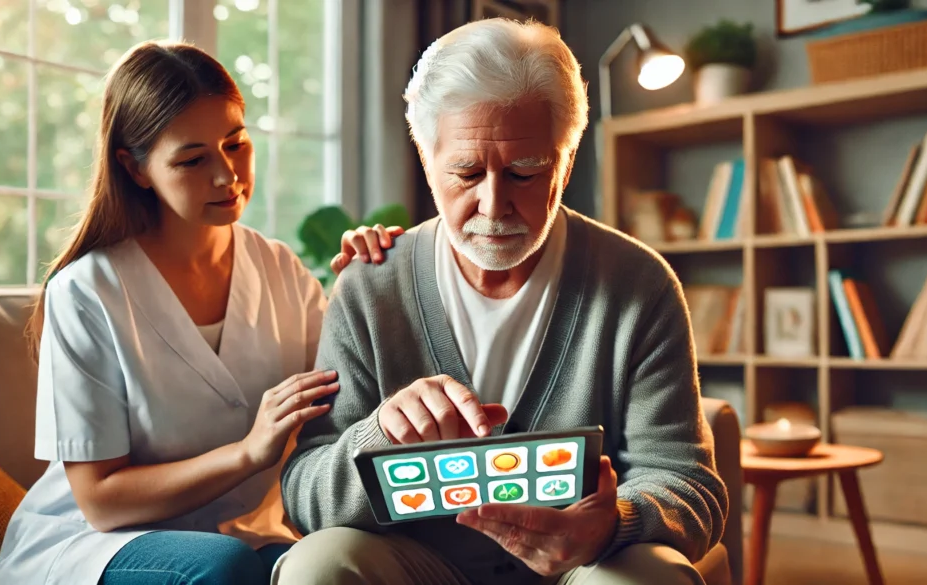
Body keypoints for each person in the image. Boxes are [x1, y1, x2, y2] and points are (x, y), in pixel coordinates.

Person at [277, 18, 728, 585]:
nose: (494, 205)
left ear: (566, 161)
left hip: (579, 569)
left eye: (525, 172)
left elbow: (688, 481)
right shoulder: (372, 285)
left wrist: (614, 523)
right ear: (426, 159)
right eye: (466, 172)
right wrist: (378, 438)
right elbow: (304, 495)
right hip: (415, 568)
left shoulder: (638, 285)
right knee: (319, 565)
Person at [0, 40, 398, 585]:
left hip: (248, 539)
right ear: (135, 169)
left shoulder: (280, 270)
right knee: (220, 568)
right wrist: (247, 452)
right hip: (99, 547)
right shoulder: (86, 292)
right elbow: (101, 502)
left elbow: (344, 409)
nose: (227, 176)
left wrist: (367, 288)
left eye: (236, 144)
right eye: (193, 159)